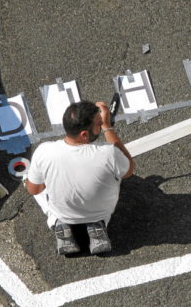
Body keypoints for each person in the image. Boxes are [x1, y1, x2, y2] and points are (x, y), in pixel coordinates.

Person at [24, 100, 134, 255]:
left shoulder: (44, 151)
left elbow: (33, 190)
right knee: (118, 171)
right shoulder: (109, 153)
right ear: (84, 135)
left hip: (63, 213)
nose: (101, 123)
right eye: (98, 123)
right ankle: (97, 226)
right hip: (100, 213)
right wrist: (107, 126)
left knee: (30, 180)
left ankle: (58, 223)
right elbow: (129, 169)